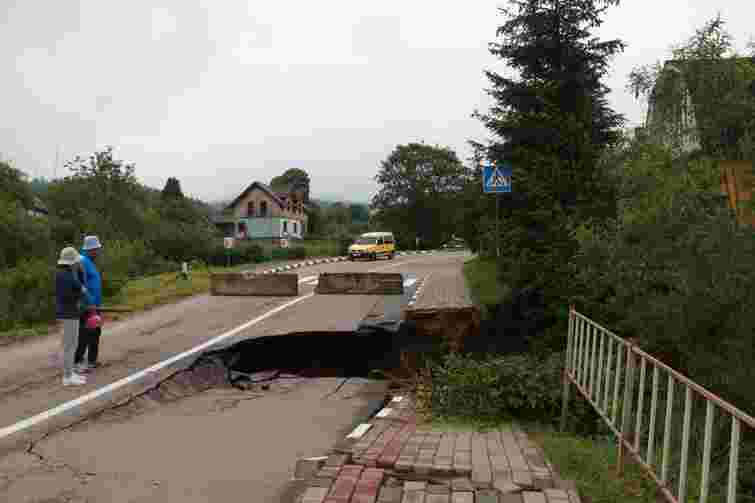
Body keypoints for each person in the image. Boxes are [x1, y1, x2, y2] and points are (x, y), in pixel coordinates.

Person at [55, 247, 92, 386]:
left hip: (69, 313)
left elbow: (76, 287)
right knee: (69, 346)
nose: (78, 263)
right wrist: (79, 294)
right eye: (76, 261)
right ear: (71, 262)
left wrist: (80, 290)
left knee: (71, 345)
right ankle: (68, 376)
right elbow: (68, 295)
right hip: (68, 314)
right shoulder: (64, 275)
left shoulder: (66, 274)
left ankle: (70, 373)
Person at [74, 235, 104, 374]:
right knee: (85, 334)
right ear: (90, 250)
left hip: (94, 305)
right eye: (97, 249)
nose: (98, 252)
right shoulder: (82, 262)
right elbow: (80, 285)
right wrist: (86, 302)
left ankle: (92, 360)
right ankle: (77, 362)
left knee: (95, 332)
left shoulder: (89, 262)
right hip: (87, 306)